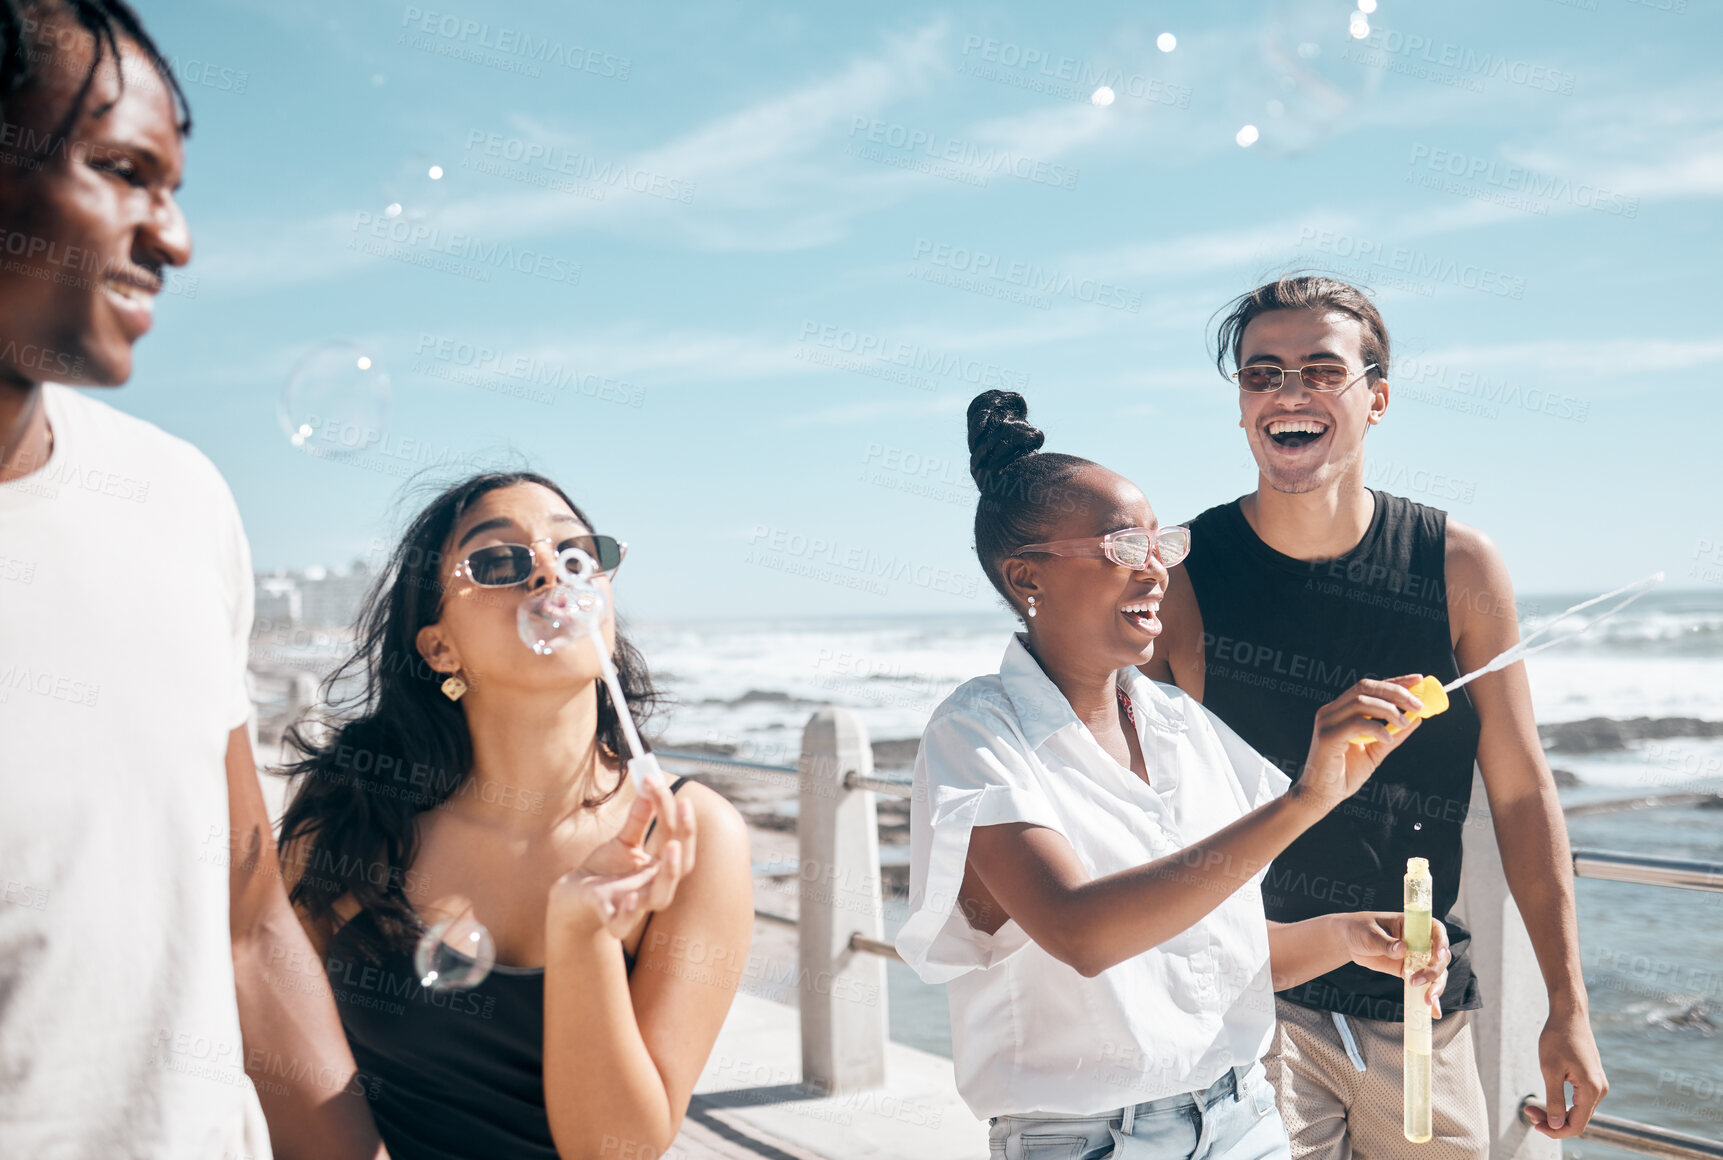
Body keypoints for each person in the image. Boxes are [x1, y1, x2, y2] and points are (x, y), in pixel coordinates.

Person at [0, 3, 385, 1156]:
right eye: (122, 170)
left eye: (170, 185)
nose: (174, 238)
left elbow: (250, 919)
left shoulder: (177, 500)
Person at [896, 390, 1451, 1160]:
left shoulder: (1180, 725)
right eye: (1124, 547)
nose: (1155, 569)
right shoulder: (977, 733)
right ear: (1027, 577)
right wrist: (1301, 802)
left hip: (1244, 1117)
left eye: (1161, 543)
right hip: (1085, 1142)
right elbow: (1080, 932)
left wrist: (1347, 936)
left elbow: (1208, 950)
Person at [1144, 275, 1607, 1160]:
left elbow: (1517, 794)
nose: (1287, 393)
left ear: (1377, 398)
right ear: (1241, 403)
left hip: (1421, 1006)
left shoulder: (1457, 564)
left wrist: (1568, 1008)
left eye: (1322, 371)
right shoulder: (1183, 578)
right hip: (1249, 1009)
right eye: (1261, 374)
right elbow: (1144, 807)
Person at [275, 471, 753, 1160]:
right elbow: (278, 1054)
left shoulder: (692, 833)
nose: (549, 574)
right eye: (499, 561)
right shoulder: (347, 814)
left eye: (576, 554)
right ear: (438, 646)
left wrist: (583, 934)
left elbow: (615, 1150)